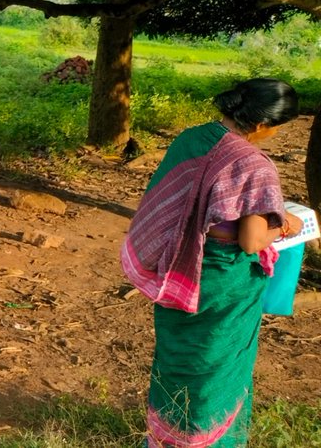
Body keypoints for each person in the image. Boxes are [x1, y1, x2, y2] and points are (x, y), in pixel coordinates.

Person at [121, 78, 304, 447]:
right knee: (216, 367)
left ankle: (165, 437)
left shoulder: (194, 137)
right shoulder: (254, 165)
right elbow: (251, 240)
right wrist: (287, 223)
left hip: (179, 271)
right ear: (264, 125)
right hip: (222, 282)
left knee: (178, 359)